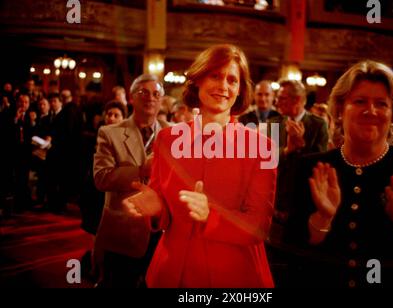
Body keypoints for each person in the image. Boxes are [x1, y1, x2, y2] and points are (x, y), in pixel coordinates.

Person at [281, 60, 393, 287]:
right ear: (339, 109)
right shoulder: (312, 167)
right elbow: (294, 252)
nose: (371, 111)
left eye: (381, 104)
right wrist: (322, 218)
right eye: (359, 101)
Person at [125, 44, 277, 287]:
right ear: (197, 80)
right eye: (215, 75)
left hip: (234, 275)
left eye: (232, 80)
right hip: (172, 271)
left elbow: (259, 226)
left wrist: (211, 217)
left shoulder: (262, 146)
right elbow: (162, 211)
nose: (223, 86)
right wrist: (156, 209)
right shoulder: (167, 139)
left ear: (240, 90)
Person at [93, 74, 169, 288]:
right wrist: (141, 170)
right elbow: (101, 178)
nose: (150, 98)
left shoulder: (173, 133)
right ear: (131, 98)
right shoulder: (110, 133)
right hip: (122, 234)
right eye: (143, 92)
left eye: (156, 94)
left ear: (162, 99)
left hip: (161, 235)